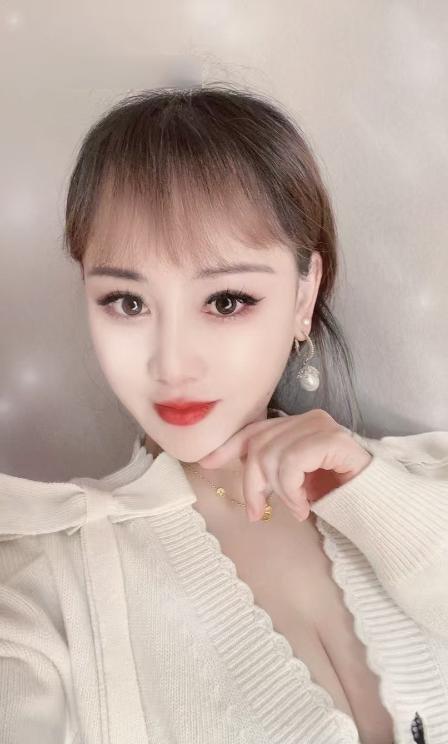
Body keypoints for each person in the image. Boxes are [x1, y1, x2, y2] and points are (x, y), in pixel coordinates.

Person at [0, 84, 446, 744]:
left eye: (227, 300)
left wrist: (372, 494)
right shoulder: (47, 587)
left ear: (304, 294)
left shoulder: (426, 484)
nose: (172, 363)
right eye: (127, 302)